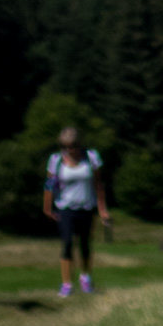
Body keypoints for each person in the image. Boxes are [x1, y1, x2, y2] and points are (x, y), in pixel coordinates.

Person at [42, 127, 109, 297]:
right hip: (65, 207)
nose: (70, 150)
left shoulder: (91, 157)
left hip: (86, 206)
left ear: (80, 144)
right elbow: (49, 185)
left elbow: (99, 184)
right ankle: (66, 283)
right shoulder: (56, 160)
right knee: (67, 243)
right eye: (66, 146)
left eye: (74, 146)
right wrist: (47, 208)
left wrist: (102, 209)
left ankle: (85, 278)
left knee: (85, 244)